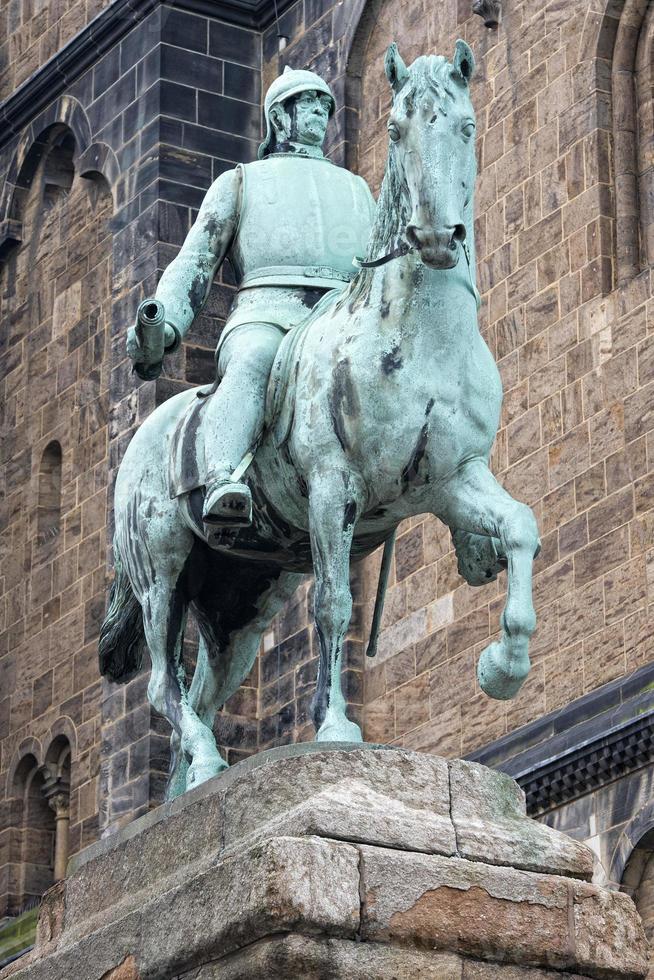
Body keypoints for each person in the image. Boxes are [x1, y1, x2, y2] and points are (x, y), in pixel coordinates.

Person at [127, 67, 375, 526]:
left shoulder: (358, 189)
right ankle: (223, 474)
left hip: (344, 317)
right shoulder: (240, 182)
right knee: (256, 359)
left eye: (326, 106)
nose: (321, 114)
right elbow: (194, 263)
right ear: (280, 118)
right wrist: (165, 324)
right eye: (309, 105)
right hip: (268, 313)